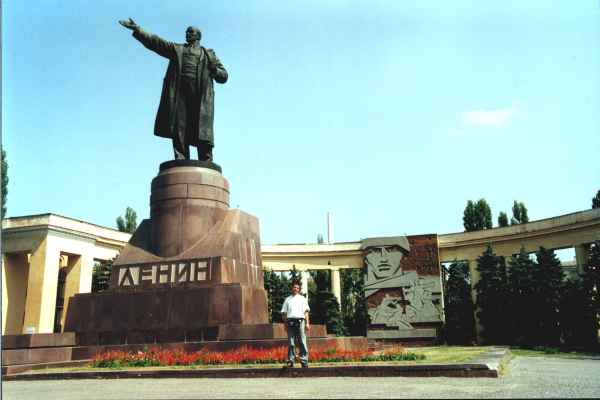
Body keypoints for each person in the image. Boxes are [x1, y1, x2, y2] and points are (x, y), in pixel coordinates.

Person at [118, 18, 228, 162]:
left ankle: (206, 160)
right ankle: (181, 158)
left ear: (198, 36)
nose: (187, 34)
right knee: (179, 127)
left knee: (202, 130)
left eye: (191, 32)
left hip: (200, 97)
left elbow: (224, 76)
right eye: (186, 32)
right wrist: (138, 29)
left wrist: (214, 70)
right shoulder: (177, 49)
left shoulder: (209, 54)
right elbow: (157, 42)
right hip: (180, 94)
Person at [281, 280, 310, 368]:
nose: (295, 289)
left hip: (301, 321)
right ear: (292, 288)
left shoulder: (302, 299)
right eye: (294, 287)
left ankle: (304, 360)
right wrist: (285, 324)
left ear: (299, 289)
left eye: (297, 288)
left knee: (302, 341)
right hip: (290, 322)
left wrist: (307, 323)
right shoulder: (287, 299)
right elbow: (284, 313)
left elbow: (306, 312)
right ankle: (290, 360)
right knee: (291, 343)